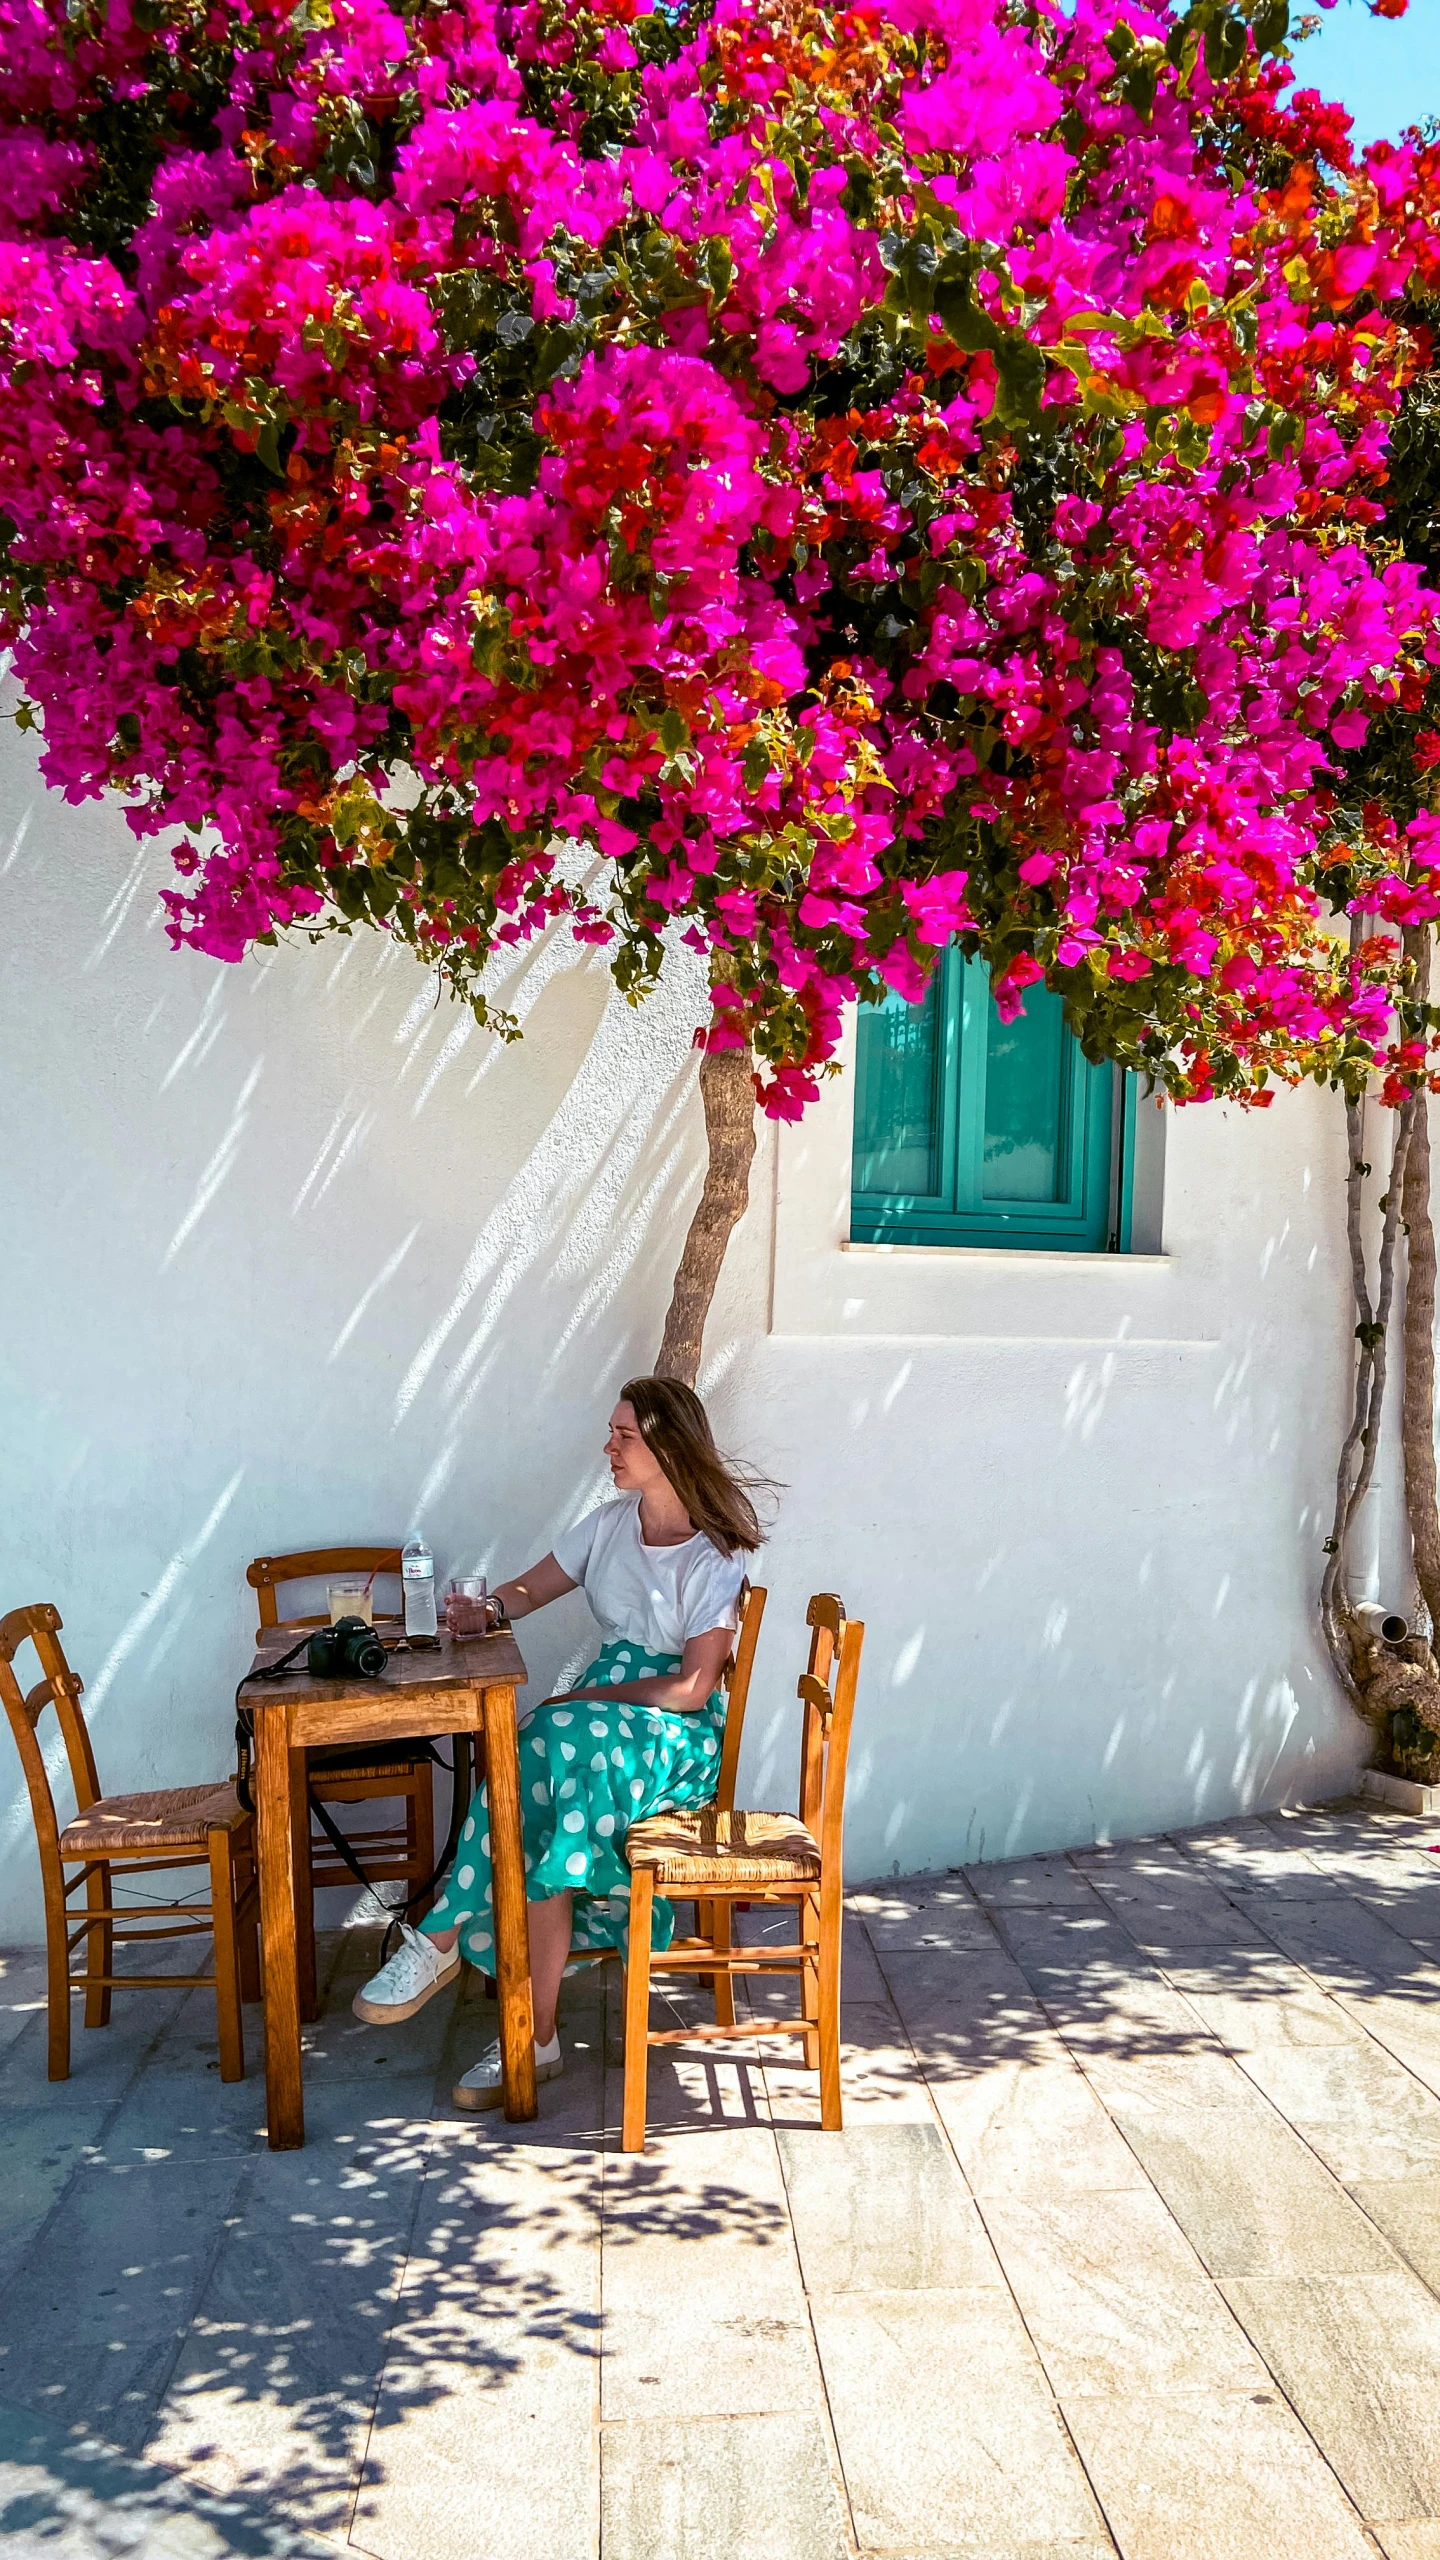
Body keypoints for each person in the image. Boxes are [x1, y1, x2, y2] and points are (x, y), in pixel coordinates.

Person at [351, 1375, 765, 2109]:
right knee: (535, 1768)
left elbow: (694, 1688)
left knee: (550, 1737)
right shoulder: (610, 1524)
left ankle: (446, 1942)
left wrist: (592, 1696)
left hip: (673, 1734)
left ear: (667, 1445)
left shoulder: (715, 1554)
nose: (609, 1447)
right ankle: (531, 2033)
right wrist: (482, 1611)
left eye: (623, 1435)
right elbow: (531, 1590)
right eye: (613, 1432)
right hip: (600, 1728)